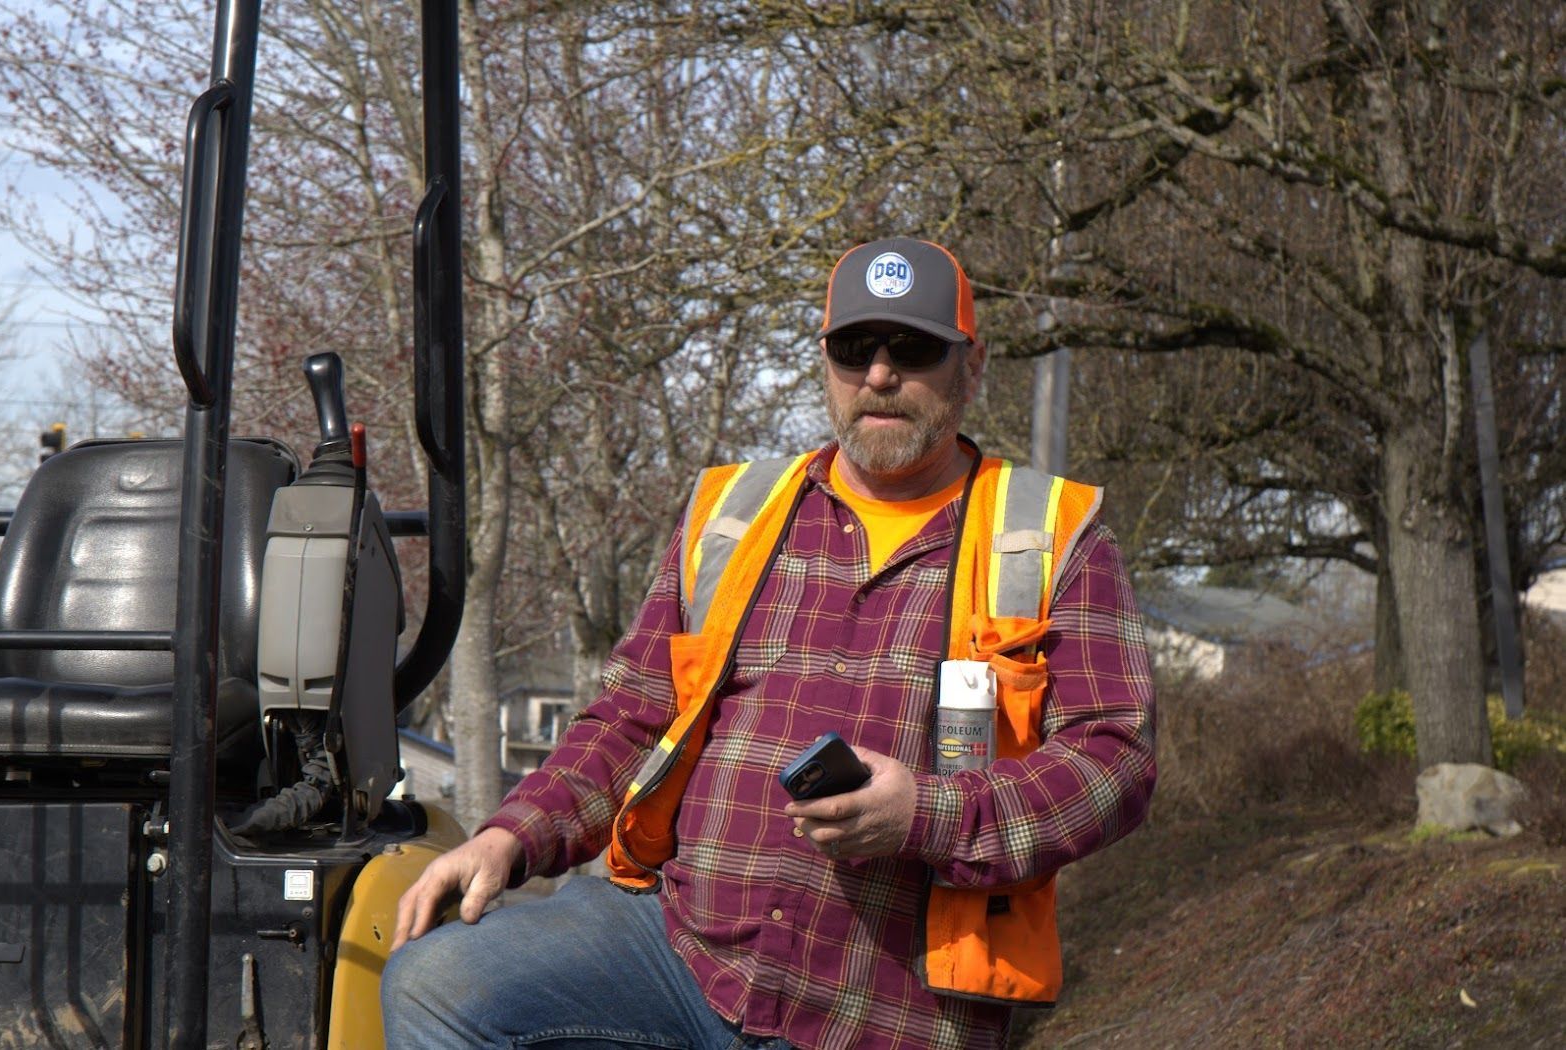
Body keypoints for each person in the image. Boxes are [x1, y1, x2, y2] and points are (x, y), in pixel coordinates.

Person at [381, 237, 1156, 1050]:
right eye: (855, 348)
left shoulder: (1048, 537)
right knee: (439, 987)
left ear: (973, 364)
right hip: (672, 949)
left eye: (913, 348)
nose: (881, 375)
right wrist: (508, 836)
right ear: (826, 362)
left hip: (886, 1008)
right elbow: (633, 717)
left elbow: (1117, 759)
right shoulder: (735, 511)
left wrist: (927, 814)